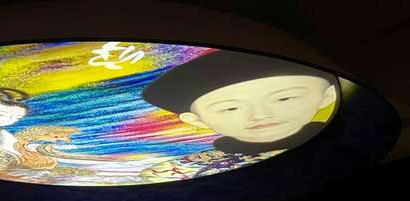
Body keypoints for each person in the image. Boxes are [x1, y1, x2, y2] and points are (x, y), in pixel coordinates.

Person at [142, 51, 339, 154]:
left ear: (328, 96)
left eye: (284, 98)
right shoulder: (185, 167)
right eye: (230, 108)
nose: (261, 115)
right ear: (196, 120)